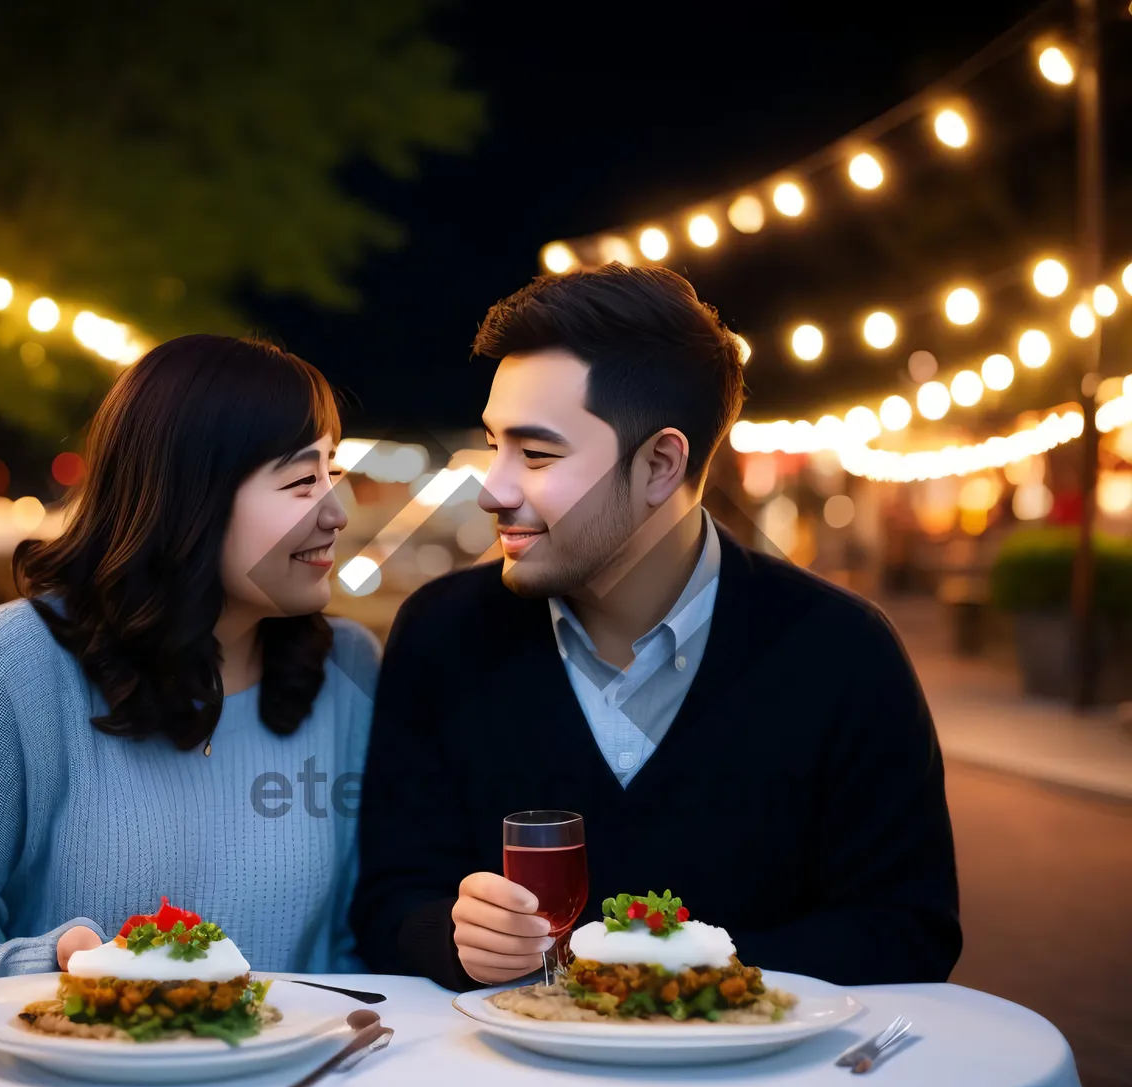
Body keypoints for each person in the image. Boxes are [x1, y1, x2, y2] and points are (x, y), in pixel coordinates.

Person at [350, 264, 961, 990]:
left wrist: (674, 982)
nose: (494, 488)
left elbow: (907, 929)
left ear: (661, 464)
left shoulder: (843, 652)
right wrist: (451, 936)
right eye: (494, 444)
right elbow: (390, 900)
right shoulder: (442, 634)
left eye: (537, 454)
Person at [0, 335, 378, 986]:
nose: (337, 512)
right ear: (189, 494)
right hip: (72, 1078)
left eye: (332, 471)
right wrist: (54, 971)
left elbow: (355, 944)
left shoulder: (349, 667)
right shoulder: (9, 663)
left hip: (297, 1080)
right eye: (302, 480)